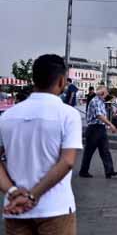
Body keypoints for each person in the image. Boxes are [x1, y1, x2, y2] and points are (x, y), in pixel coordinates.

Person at [0, 54, 82, 234]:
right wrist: (32, 195)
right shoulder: (68, 115)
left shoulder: (7, 117)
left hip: (15, 210)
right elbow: (67, 161)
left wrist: (13, 192)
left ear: (34, 79)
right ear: (61, 81)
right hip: (55, 207)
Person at [79, 85, 117, 179]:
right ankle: (83, 171)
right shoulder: (96, 101)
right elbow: (99, 115)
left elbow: (112, 104)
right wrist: (111, 124)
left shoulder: (101, 101)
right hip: (94, 128)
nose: (106, 94)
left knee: (105, 150)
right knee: (89, 152)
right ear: (101, 92)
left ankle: (109, 171)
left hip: (100, 128)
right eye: (105, 93)